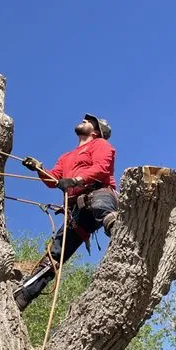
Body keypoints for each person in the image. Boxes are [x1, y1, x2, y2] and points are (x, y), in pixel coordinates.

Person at [13, 114, 119, 310]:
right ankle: (23, 296)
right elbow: (54, 180)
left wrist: (76, 180)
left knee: (101, 207)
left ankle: (119, 233)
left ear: (95, 131)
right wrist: (39, 169)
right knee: (54, 255)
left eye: (88, 122)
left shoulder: (100, 145)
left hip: (97, 193)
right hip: (76, 213)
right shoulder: (66, 157)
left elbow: (102, 168)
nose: (83, 121)